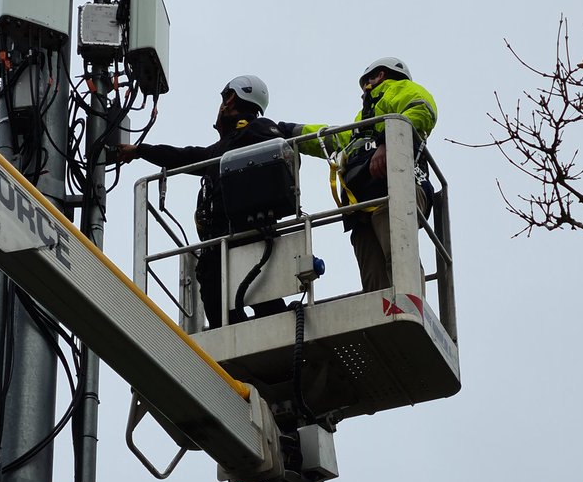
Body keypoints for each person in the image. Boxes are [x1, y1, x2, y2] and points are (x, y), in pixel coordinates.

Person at [116, 75, 289, 328]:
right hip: (222, 245)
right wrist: (141, 151)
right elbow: (184, 156)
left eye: (224, 98)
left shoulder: (256, 130)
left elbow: (275, 146)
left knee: (259, 304)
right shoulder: (221, 150)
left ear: (231, 98)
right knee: (224, 307)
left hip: (247, 238)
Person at [280, 56, 437, 293]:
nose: (363, 92)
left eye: (366, 83)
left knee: (399, 259)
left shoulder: (400, 89)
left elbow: (421, 110)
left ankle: (411, 304)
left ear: (380, 76)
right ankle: (385, 319)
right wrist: (292, 131)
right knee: (373, 278)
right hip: (363, 204)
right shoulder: (364, 122)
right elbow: (334, 139)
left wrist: (387, 143)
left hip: (396, 188)